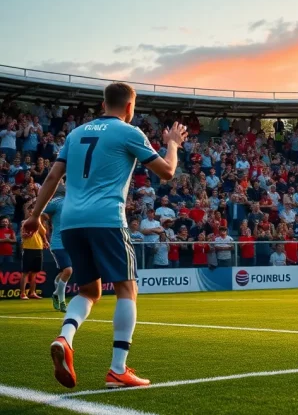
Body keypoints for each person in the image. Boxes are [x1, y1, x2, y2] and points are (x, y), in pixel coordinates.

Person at [24, 82, 187, 390]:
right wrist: (173, 143)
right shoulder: (129, 132)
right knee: (127, 289)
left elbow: (53, 176)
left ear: (103, 104)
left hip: (71, 222)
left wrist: (34, 216)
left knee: (89, 291)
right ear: (129, 107)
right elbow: (166, 171)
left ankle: (65, 337)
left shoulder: (75, 134)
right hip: (106, 219)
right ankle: (117, 369)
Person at [45, 183, 71, 312]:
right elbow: (42, 213)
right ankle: (60, 298)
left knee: (63, 272)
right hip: (58, 242)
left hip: (71, 243)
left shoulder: (73, 201)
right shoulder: (57, 201)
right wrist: (47, 224)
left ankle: (57, 296)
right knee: (68, 270)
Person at [20, 204, 47, 300]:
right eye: (30, 211)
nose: (32, 213)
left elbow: (43, 233)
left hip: (38, 248)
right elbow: (23, 235)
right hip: (28, 248)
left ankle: (32, 292)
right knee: (25, 272)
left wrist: (45, 241)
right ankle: (23, 293)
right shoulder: (25, 222)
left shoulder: (38, 223)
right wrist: (25, 235)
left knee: (35, 273)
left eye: (34, 211)